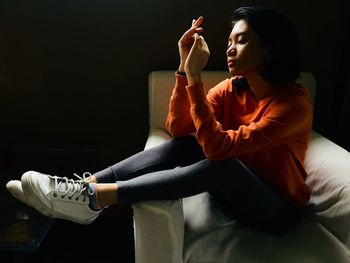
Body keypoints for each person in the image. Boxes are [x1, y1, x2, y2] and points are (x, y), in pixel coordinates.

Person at [6, 6, 312, 233]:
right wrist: (182, 68)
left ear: (269, 48)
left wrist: (195, 76)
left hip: (276, 211)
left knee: (224, 164)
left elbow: (220, 151)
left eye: (241, 41)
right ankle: (83, 187)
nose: (230, 48)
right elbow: (178, 129)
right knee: (188, 146)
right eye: (229, 41)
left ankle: (93, 198)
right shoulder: (232, 90)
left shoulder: (294, 105)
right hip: (230, 195)